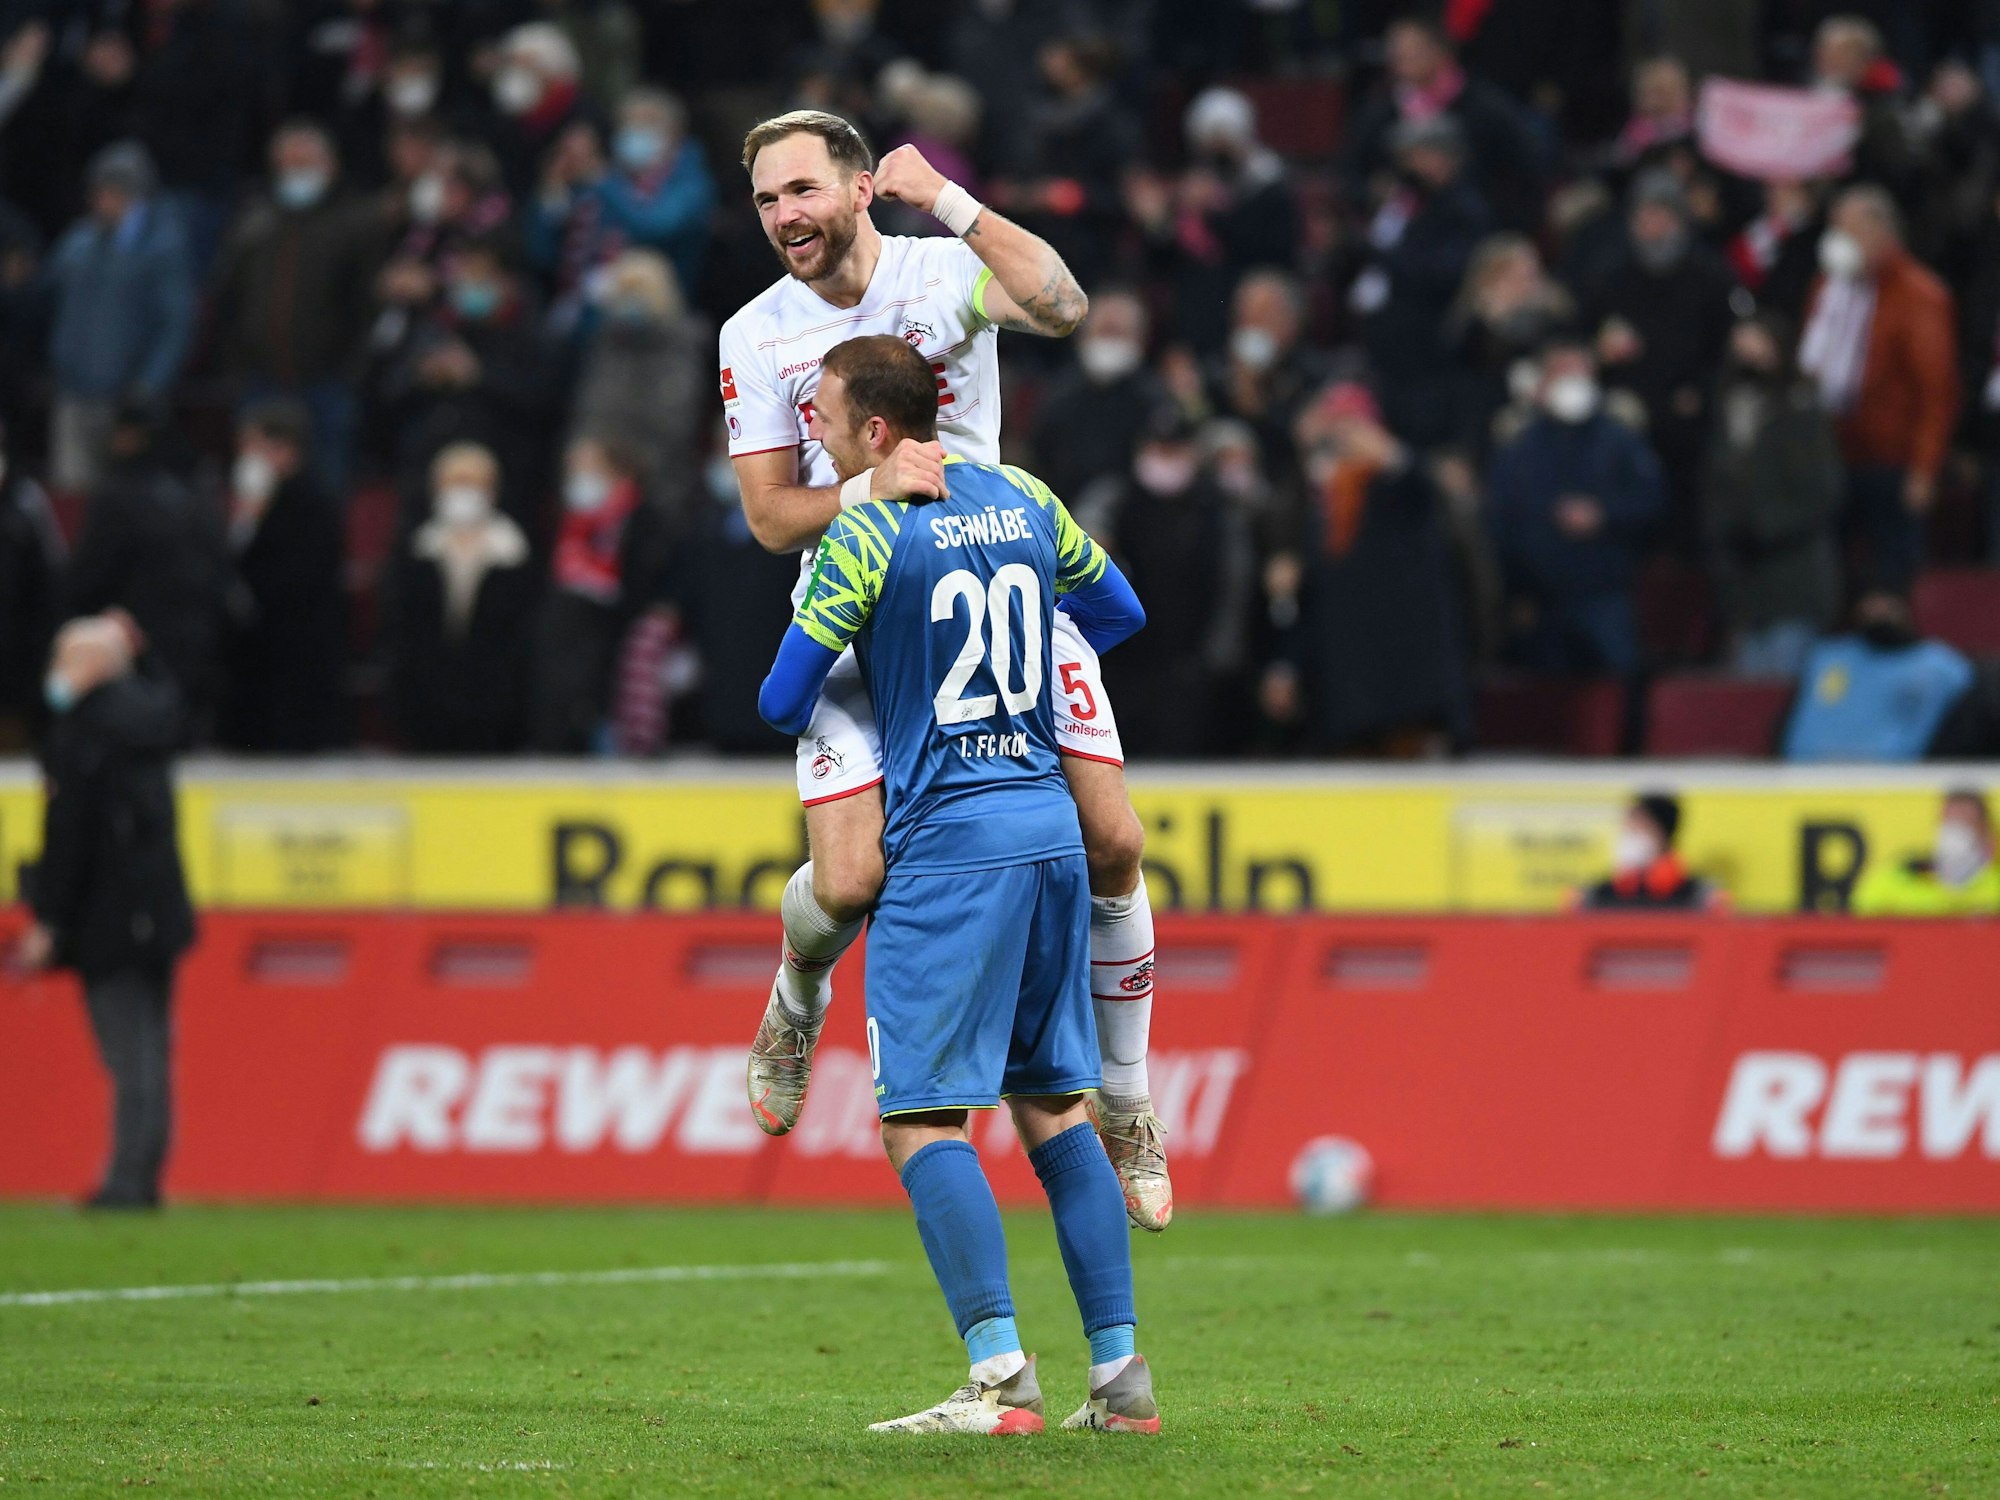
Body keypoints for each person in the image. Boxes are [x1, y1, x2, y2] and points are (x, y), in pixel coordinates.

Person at [720, 110, 1171, 1229]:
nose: (784, 215)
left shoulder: (937, 271)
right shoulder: (753, 334)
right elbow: (771, 517)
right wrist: (868, 491)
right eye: (767, 198)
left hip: (995, 583)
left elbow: (1062, 306)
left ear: (859, 188)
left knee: (1115, 840)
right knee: (849, 883)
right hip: (860, 609)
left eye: (802, 190)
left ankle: (1126, 1099)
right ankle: (797, 993)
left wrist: (953, 202)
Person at [756, 333, 1158, 1436]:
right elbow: (1117, 614)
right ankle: (1120, 1381)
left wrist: (895, 669)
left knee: (922, 1121)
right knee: (1055, 1107)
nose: (814, 436)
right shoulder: (1024, 495)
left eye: (825, 419)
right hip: (1049, 837)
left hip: (948, 851)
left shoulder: (867, 531)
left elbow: (783, 700)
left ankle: (999, 1380)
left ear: (877, 430)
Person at [15, 614, 194, 1208]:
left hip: (106, 918)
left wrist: (50, 918)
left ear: (91, 665)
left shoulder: (83, 737)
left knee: (127, 1053)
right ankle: (143, 1176)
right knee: (153, 1051)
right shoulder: (152, 721)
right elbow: (174, 694)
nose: (56, 671)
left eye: (64, 657)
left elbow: (69, 839)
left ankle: (126, 1183)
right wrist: (142, 650)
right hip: (159, 913)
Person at [1264, 383, 1472, 756]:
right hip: (1347, 697)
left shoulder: (1398, 490)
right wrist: (1286, 666)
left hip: (1410, 692)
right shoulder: (1324, 504)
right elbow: (1315, 597)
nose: (1345, 439)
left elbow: (1419, 484)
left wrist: (1388, 453)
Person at [208, 120, 387, 503]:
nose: (295, 174)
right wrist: (237, 363)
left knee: (326, 488)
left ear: (330, 166)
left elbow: (369, 304)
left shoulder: (356, 222)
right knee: (255, 490)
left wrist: (353, 369)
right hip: (261, 379)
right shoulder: (254, 221)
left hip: (328, 381)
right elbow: (228, 297)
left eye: (304, 164)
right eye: (287, 165)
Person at [1799, 185, 1959, 593]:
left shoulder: (1919, 294)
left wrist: (1924, 469)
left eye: (1848, 230)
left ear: (1881, 232)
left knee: (1893, 575)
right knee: (1834, 574)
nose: (1837, 241)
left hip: (1891, 459)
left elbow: (1936, 392)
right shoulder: (1828, 287)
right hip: (1831, 453)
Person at [1486, 336, 1666, 676]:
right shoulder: (1520, 448)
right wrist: (1517, 587)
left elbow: (1651, 501)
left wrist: (1604, 514)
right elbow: (1502, 520)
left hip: (1605, 589)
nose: (1572, 382)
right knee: (1548, 688)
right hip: (1542, 595)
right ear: (1543, 383)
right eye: (1563, 373)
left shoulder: (1621, 441)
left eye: (1580, 373)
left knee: (1622, 678)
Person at [44, 143, 195, 494]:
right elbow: (46, 298)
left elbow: (175, 325)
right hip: (72, 394)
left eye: (110, 192)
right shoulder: (78, 242)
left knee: (124, 496)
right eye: (97, 192)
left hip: (124, 401)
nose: (101, 201)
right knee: (71, 495)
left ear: (135, 195)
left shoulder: (163, 248)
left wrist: (148, 386)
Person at [64, 404, 227, 730]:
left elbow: (91, 572)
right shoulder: (197, 488)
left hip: (134, 634)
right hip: (198, 633)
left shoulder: (118, 493)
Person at [1704, 312, 1844, 678]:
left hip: (1792, 583)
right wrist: (1724, 530)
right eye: (1741, 348)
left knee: (1778, 691)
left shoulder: (1801, 410)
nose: (1748, 357)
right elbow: (1716, 488)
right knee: (1747, 699)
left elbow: (1822, 493)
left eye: (1758, 347)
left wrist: (1763, 526)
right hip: (1742, 588)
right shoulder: (1727, 413)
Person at [384, 443, 537, 754]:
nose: (462, 493)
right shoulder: (418, 549)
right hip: (426, 707)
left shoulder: (513, 551)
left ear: (491, 491)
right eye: (454, 484)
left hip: (497, 711)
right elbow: (402, 632)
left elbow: (522, 639)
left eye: (472, 484)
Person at [218, 400, 349, 753]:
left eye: (253, 447)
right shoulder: (248, 503)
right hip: (256, 651)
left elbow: (301, 577)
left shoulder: (313, 502)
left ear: (284, 449)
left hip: (297, 649)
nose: (245, 458)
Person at [528, 436, 669, 753]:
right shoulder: (565, 523)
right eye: (574, 469)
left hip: (620, 645)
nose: (580, 478)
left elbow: (647, 585)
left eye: (589, 468)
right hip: (572, 656)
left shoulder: (643, 522)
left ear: (618, 471)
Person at [528, 86, 716, 315]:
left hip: (658, 315)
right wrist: (552, 192)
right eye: (627, 123)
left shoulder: (690, 183)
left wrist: (602, 181)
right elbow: (543, 254)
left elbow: (654, 227)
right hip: (584, 311)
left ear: (675, 133)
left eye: (648, 123)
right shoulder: (611, 178)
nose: (635, 130)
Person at [1781, 591, 1973, 762]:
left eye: (1888, 603)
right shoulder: (1827, 658)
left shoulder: (1944, 668)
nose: (1879, 610)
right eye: (1872, 602)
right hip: (1808, 779)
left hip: (1906, 783)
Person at [1851, 788, 2000, 915]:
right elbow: (1862, 915)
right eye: (1949, 823)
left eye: (1965, 824)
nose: (1954, 834)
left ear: (1988, 835)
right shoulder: (1901, 876)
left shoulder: (1995, 883)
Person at [1576, 792, 1723, 911]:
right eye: (1627, 827)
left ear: (1664, 834)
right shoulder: (1595, 896)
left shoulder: (1701, 897)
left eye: (1639, 826)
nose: (1629, 835)